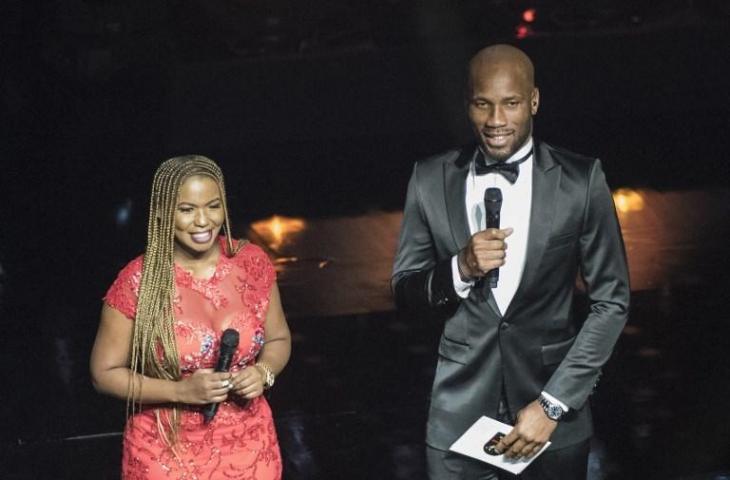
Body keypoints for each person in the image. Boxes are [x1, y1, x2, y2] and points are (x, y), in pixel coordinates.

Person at [392, 44, 629, 479]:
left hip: (551, 418)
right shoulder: (429, 178)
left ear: (534, 101)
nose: (496, 121)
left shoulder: (580, 181)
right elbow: (404, 290)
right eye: (483, 104)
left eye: (511, 104)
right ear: (468, 104)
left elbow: (611, 302)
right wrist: (459, 268)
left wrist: (553, 404)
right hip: (458, 422)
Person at [90, 155, 291, 479]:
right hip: (166, 454)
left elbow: (279, 338)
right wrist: (181, 392)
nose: (203, 221)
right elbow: (104, 374)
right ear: (161, 213)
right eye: (187, 209)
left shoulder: (251, 263)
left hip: (252, 448)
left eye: (213, 206)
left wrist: (263, 372)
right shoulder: (138, 281)